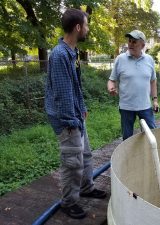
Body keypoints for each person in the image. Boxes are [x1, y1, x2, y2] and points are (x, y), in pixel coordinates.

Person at [45, 8, 106, 219]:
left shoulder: (72, 52)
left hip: (76, 115)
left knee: (86, 155)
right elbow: (62, 94)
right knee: (72, 163)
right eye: (86, 25)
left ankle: (87, 187)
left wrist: (82, 108)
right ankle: (68, 202)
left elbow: (74, 86)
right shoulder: (60, 54)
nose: (88, 29)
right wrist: (71, 120)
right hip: (67, 120)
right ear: (78, 27)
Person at [107, 30, 159, 140]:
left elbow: (153, 81)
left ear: (143, 45)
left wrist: (155, 100)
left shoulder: (149, 60)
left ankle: (148, 156)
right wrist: (111, 87)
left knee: (151, 135)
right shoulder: (120, 59)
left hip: (145, 106)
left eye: (134, 42)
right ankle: (129, 157)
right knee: (127, 138)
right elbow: (111, 80)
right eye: (129, 41)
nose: (130, 44)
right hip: (126, 107)